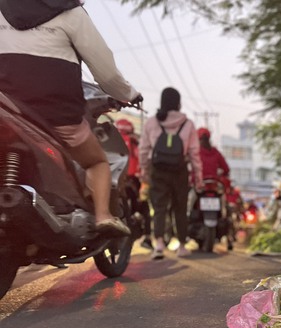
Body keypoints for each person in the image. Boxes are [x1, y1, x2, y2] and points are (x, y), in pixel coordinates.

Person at [0, 0, 141, 237]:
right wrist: (129, 94)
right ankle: (103, 216)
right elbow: (106, 74)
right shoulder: (72, 13)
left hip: (8, 109)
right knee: (97, 162)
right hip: (57, 118)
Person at [139, 87, 203, 259]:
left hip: (157, 169)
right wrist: (198, 178)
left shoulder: (152, 122)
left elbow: (144, 150)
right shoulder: (187, 124)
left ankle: (159, 244)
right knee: (180, 208)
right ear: (178, 103)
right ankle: (182, 246)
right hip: (180, 170)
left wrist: (144, 171)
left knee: (159, 207)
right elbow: (194, 154)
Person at [115, 119, 152, 249]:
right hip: (134, 180)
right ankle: (148, 238)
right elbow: (144, 161)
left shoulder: (109, 140)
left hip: (114, 179)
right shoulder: (135, 142)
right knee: (145, 208)